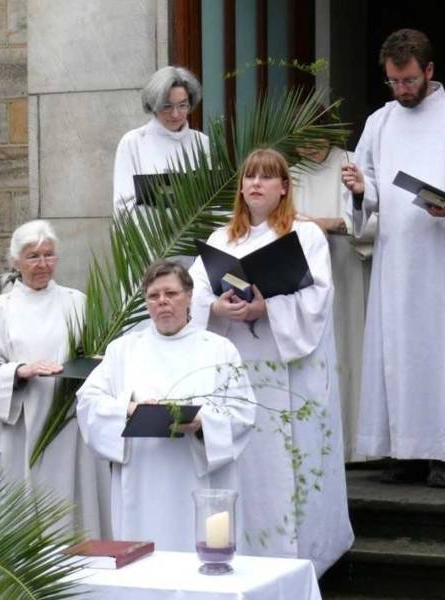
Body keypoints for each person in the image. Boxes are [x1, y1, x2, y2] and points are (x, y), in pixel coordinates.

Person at [341, 29, 445, 487]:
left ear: (429, 71)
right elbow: (369, 185)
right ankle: (404, 451)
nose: (402, 89)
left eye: (409, 79)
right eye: (394, 81)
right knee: (398, 350)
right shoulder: (380, 122)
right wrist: (359, 189)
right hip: (397, 259)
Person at [190, 148, 353, 576]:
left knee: (289, 462)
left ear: (284, 188)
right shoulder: (220, 239)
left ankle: (298, 564)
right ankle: (240, 556)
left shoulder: (304, 235)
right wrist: (216, 310)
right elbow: (193, 295)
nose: (256, 184)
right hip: (237, 364)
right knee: (246, 463)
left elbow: (318, 297)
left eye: (266, 178)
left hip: (286, 368)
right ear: (240, 187)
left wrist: (269, 309)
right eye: (249, 177)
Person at [76, 259, 255, 551]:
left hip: (198, 477)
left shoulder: (219, 349)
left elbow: (243, 412)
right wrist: (129, 409)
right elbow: (88, 403)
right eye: (154, 296)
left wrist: (202, 423)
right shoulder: (123, 349)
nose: (162, 302)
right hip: (142, 479)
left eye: (171, 294)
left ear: (189, 297)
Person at [0, 220, 110, 538]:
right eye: (33, 256)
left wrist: (97, 361)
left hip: (69, 424)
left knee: (74, 511)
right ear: (16, 262)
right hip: (25, 426)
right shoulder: (2, 310)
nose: (43, 264)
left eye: (49, 255)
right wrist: (20, 371)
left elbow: (95, 355)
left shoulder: (76, 302)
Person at [292, 136, 376, 461]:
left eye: (314, 135)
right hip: (309, 276)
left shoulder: (353, 162)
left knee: (353, 348)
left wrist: (326, 224)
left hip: (349, 268)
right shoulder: (289, 174)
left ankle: (359, 445)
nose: (308, 145)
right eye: (301, 137)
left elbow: (376, 216)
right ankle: (324, 446)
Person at [113, 66, 209, 215]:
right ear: (154, 105)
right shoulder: (133, 143)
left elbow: (215, 200)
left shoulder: (202, 143)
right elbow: (123, 206)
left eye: (182, 105)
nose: (175, 114)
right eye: (167, 106)